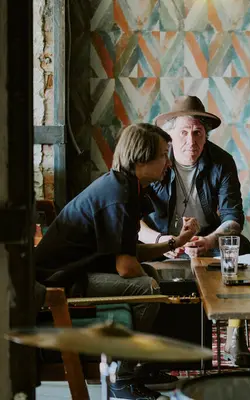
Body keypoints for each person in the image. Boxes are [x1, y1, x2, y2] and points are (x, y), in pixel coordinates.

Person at [35, 123, 199, 399]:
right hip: (60, 282)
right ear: (140, 158)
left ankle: (142, 366)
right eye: (162, 155)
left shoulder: (126, 185)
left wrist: (177, 241)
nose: (167, 162)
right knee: (148, 287)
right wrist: (149, 275)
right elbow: (126, 267)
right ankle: (121, 379)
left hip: (80, 272)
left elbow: (128, 254)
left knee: (148, 275)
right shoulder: (119, 195)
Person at [139, 96, 250, 367]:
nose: (191, 141)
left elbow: (233, 218)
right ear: (169, 135)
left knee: (241, 248)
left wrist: (209, 240)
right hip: (160, 241)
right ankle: (151, 345)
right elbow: (134, 221)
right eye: (183, 132)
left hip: (207, 240)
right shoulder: (154, 161)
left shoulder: (221, 161)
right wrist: (163, 241)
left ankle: (235, 335)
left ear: (206, 135)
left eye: (197, 133)